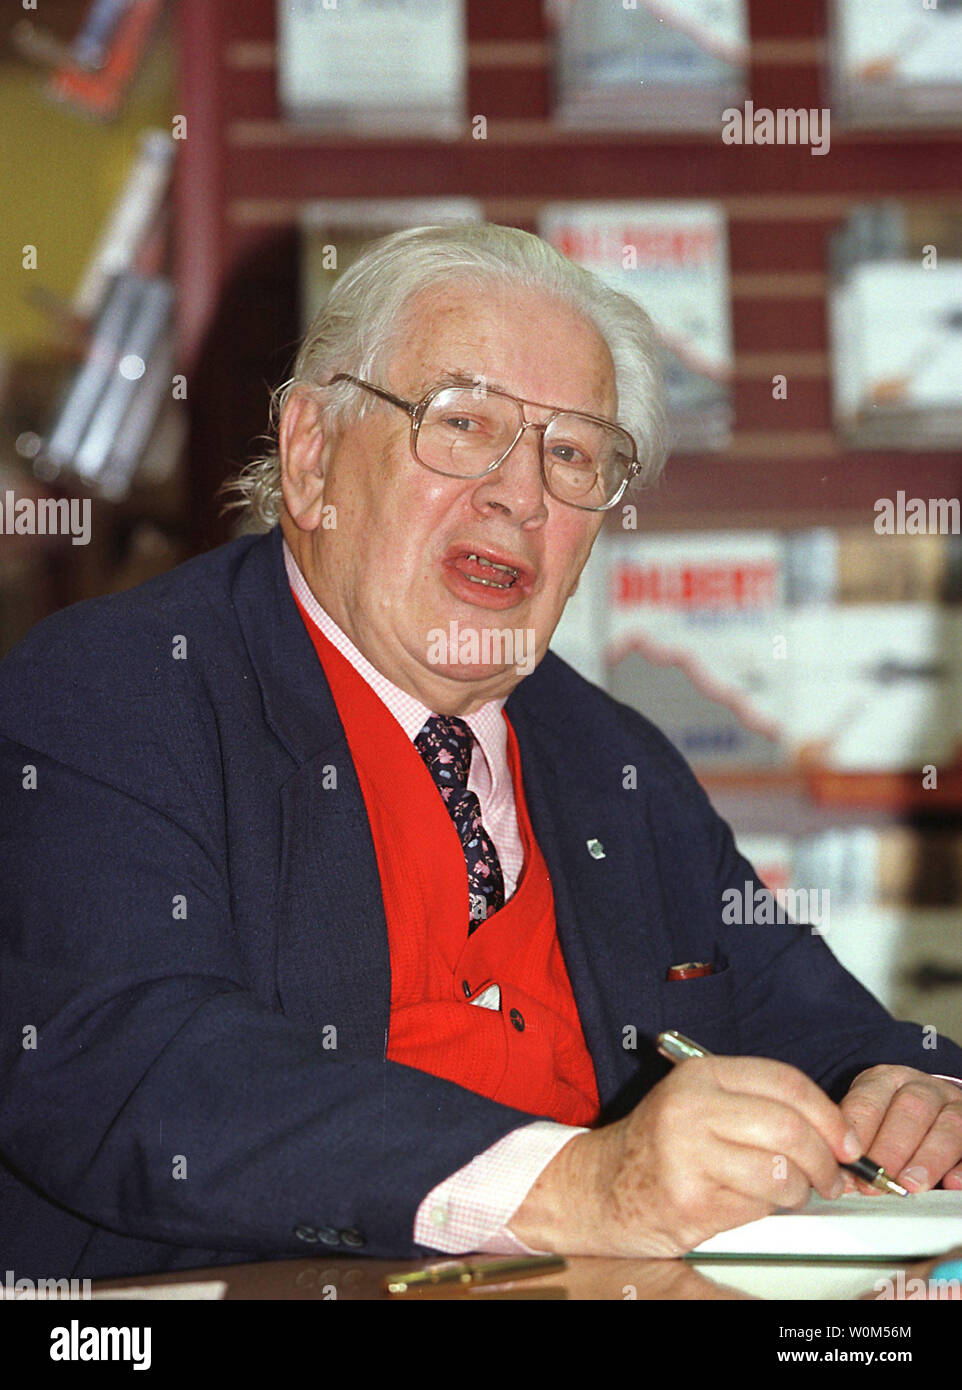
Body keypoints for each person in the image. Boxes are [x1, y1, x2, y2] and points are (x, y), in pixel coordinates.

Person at [0, 224, 960, 1282]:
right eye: (462, 423)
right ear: (313, 453)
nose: (520, 494)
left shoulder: (611, 758)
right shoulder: (115, 688)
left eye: (571, 454)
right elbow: (135, 1068)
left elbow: (821, 1026)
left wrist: (909, 1092)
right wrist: (585, 1185)